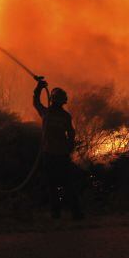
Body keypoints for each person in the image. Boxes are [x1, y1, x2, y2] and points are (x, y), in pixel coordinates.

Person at [33, 78, 84, 220]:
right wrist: (69, 146)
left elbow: (36, 103)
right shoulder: (65, 116)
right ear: (63, 101)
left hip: (50, 155)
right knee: (68, 184)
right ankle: (76, 213)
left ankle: (57, 214)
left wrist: (38, 88)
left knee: (52, 186)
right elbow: (71, 133)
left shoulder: (46, 113)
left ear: (52, 99)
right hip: (60, 155)